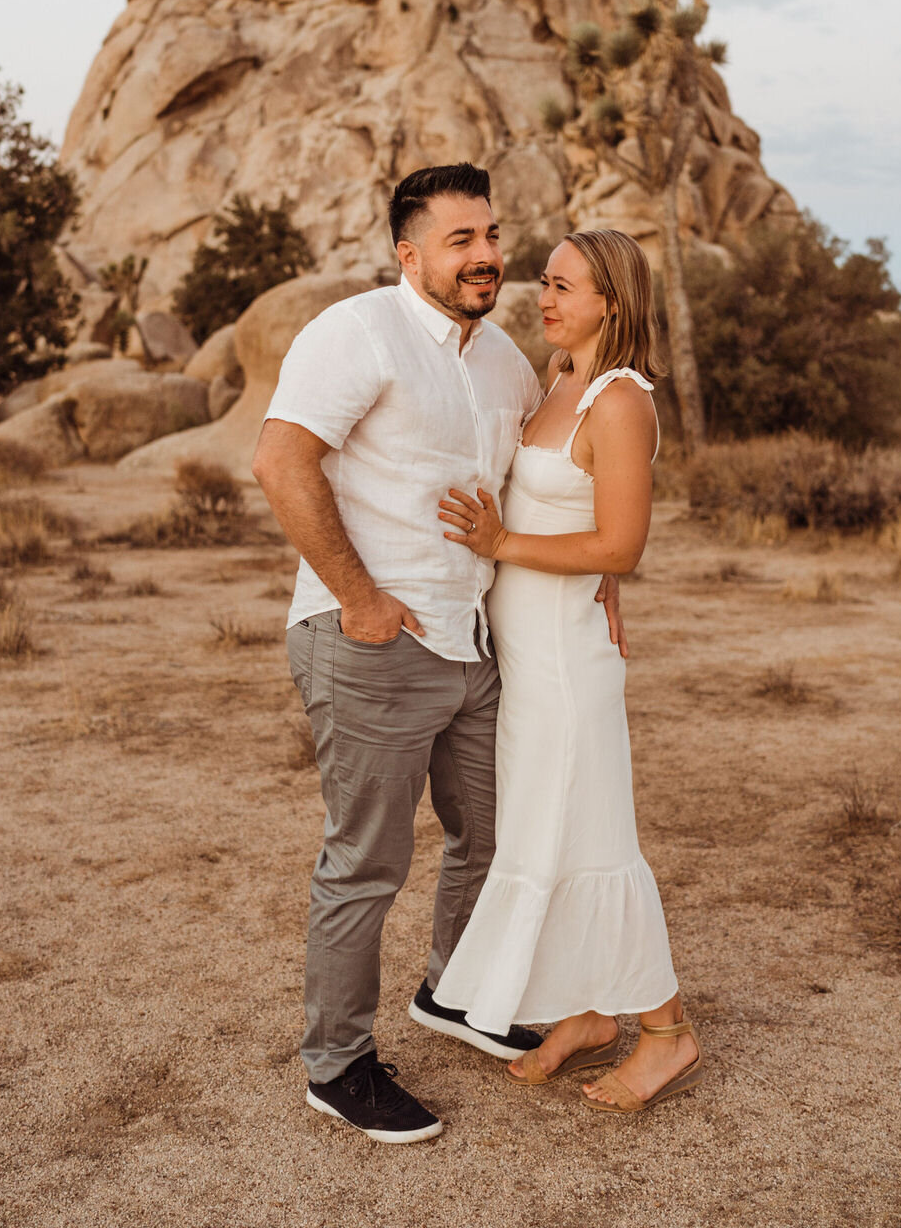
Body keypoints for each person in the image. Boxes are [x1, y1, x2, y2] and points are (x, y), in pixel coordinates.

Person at [251, 164, 625, 1143]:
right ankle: (336, 1066)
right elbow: (279, 459)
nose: (486, 255)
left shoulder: (504, 360)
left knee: (490, 835)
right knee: (365, 864)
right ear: (406, 253)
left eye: (491, 234)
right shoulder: (355, 331)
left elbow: (561, 487)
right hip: (371, 643)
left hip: (473, 648)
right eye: (458, 239)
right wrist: (363, 600)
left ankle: (454, 991)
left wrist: (602, 589)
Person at [432, 228, 703, 1116]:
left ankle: (665, 1032)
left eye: (564, 286)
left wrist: (506, 544)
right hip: (528, 655)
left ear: (611, 305)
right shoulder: (556, 379)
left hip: (565, 662)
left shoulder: (619, 402)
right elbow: (585, 530)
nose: (542, 296)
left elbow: (622, 541)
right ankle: (587, 1013)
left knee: (588, 835)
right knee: (547, 832)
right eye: (543, 280)